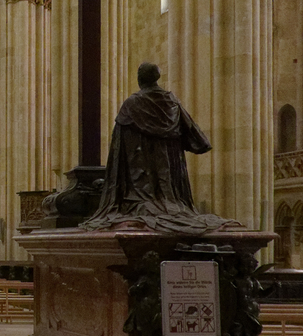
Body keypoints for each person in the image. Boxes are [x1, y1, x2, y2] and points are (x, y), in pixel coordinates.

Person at [84, 63, 240, 235]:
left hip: (140, 180)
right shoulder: (171, 101)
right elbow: (194, 133)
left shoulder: (132, 103)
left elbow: (118, 149)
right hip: (170, 181)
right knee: (169, 205)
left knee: (145, 204)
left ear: (140, 78)